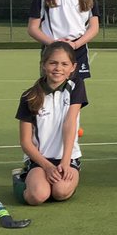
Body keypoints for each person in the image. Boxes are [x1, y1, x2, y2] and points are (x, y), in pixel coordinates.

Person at [14, 41, 86, 206]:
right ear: (43, 65)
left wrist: (66, 162)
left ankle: (59, 181)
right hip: (39, 160)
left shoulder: (76, 86)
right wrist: (46, 167)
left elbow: (70, 123)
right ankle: (20, 181)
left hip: (67, 158)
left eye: (64, 64)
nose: (58, 68)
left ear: (72, 68)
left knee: (60, 191)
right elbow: (25, 142)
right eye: (53, 63)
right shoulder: (29, 97)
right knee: (38, 196)